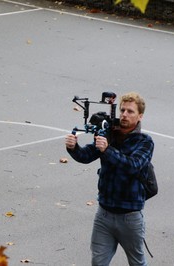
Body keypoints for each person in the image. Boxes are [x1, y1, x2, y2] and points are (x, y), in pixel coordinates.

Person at [65, 92, 154, 266]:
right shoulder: (109, 135)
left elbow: (133, 165)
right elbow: (86, 155)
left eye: (130, 111)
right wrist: (73, 147)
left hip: (130, 217)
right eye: (122, 110)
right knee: (98, 262)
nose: (124, 115)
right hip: (104, 214)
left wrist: (108, 150)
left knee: (137, 262)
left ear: (140, 116)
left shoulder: (145, 142)